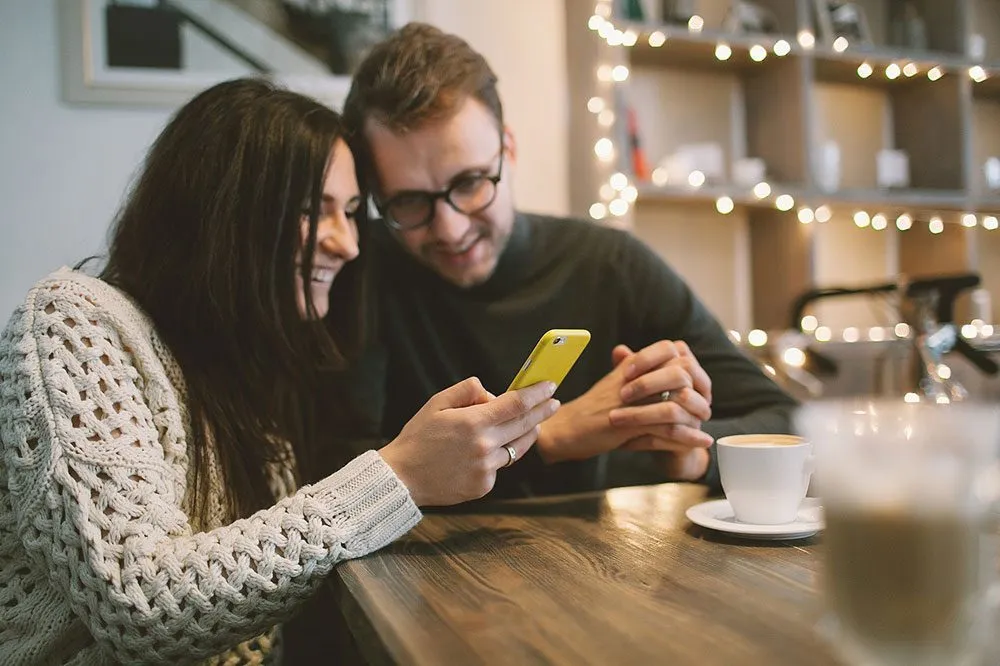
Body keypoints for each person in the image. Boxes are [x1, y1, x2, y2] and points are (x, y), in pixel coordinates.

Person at [0, 78, 559, 665]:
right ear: (222, 209)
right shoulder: (72, 319)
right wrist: (398, 475)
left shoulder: (242, 371)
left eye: (349, 213)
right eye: (314, 211)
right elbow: (143, 610)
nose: (348, 245)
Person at [334, 22, 799, 497]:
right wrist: (551, 436)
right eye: (409, 202)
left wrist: (693, 452)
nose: (451, 229)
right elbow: (332, 480)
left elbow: (790, 425)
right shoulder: (357, 269)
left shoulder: (611, 264)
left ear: (508, 150)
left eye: (471, 183)